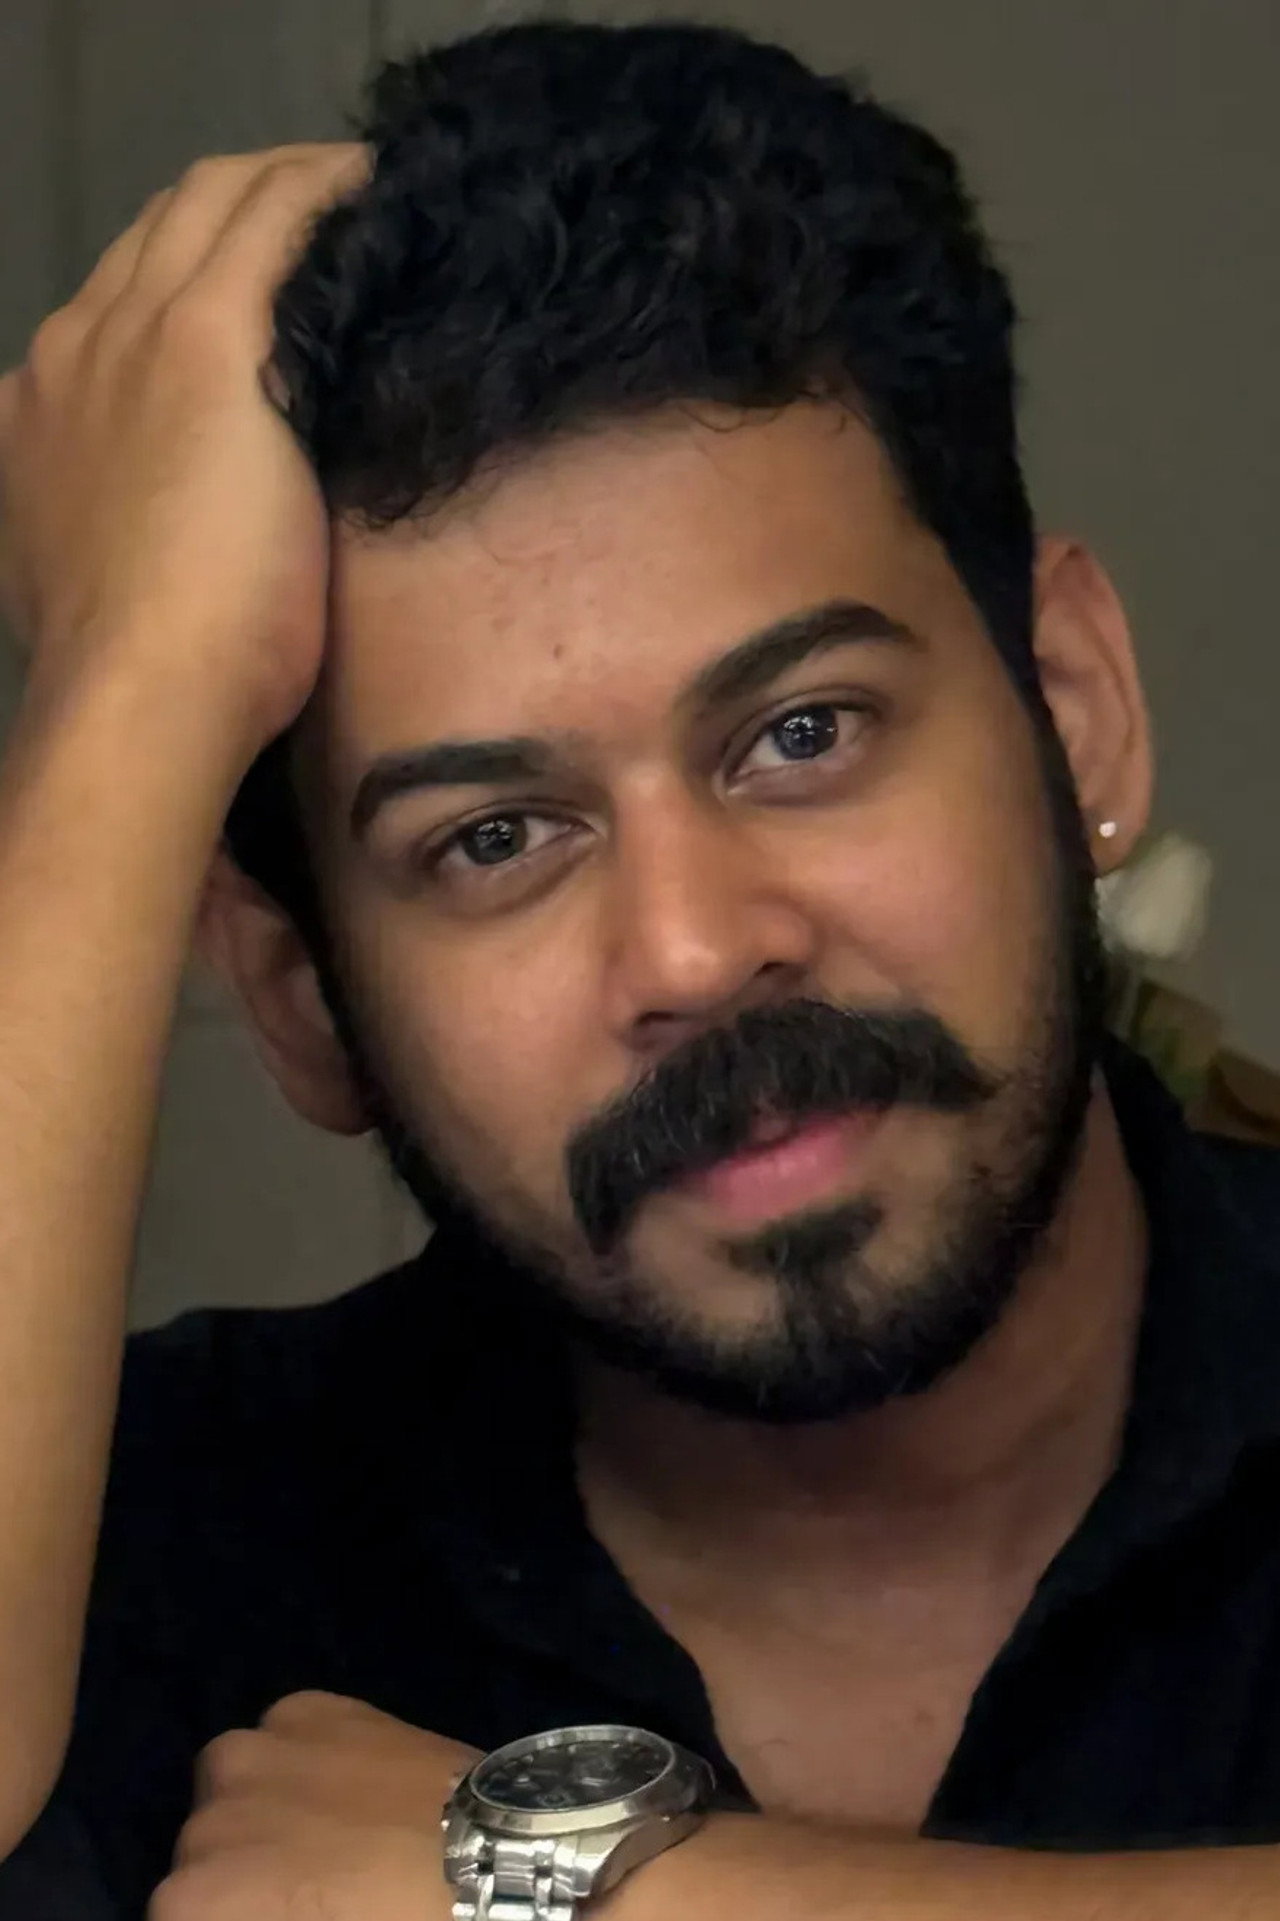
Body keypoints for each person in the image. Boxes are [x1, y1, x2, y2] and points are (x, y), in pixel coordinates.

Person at [0, 16, 1277, 1919]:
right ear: (300, 998)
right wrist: (125, 696)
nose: (694, 946)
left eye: (803, 732)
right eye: (494, 839)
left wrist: (615, 1892)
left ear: (1075, 713)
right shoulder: (154, 1554)